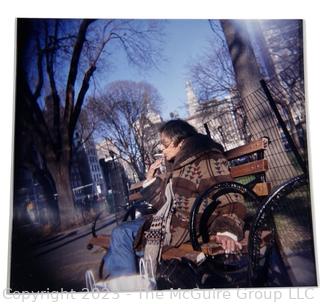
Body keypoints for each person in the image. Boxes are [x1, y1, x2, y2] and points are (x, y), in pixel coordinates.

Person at [103, 119, 246, 279]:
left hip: (184, 228)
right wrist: (150, 179)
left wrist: (227, 230)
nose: (163, 151)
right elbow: (165, 203)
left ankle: (127, 289)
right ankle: (127, 284)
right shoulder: (180, 163)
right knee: (119, 239)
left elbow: (229, 196)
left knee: (121, 235)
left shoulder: (204, 158)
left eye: (165, 145)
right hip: (172, 221)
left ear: (181, 141)